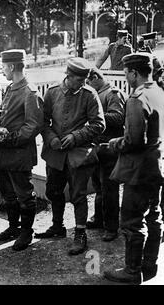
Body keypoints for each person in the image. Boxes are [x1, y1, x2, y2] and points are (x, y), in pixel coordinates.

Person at [35, 58, 105, 256]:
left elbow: (99, 124)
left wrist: (76, 137)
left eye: (84, 80)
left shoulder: (89, 95)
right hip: (55, 154)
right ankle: (58, 226)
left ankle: (80, 233)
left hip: (79, 155)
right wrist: (51, 138)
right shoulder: (52, 92)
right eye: (78, 80)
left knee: (78, 195)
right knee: (53, 190)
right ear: (68, 76)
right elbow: (43, 121)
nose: (83, 83)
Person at [104, 53, 164, 284]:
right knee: (154, 216)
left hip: (139, 170)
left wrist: (113, 143)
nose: (125, 76)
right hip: (157, 166)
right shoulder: (158, 92)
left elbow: (133, 141)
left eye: (126, 72)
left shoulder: (137, 98)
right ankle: (150, 265)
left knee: (131, 221)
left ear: (134, 73)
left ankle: (132, 271)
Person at [0, 49, 44, 251]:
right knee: (7, 193)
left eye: (3, 67)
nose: (2, 71)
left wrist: (10, 137)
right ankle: (13, 227)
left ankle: (27, 232)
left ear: (11, 66)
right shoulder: (10, 88)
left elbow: (32, 126)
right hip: (4, 153)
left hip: (19, 153)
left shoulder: (30, 93)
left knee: (24, 194)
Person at [86, 68, 126, 242]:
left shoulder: (112, 94)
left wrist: (96, 116)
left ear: (95, 78)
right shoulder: (97, 94)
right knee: (97, 186)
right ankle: (99, 218)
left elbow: (118, 117)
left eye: (88, 82)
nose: (87, 86)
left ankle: (111, 227)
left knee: (109, 189)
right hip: (97, 148)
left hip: (110, 148)